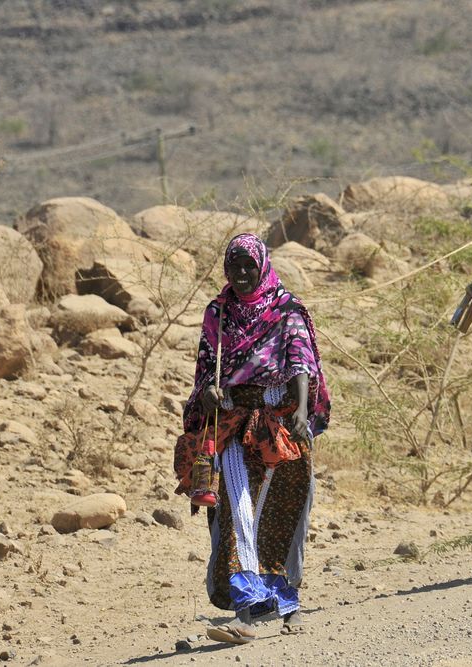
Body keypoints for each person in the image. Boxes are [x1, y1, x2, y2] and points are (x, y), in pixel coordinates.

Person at [174, 233, 330, 644]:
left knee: (285, 514)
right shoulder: (219, 313)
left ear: (263, 265)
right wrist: (208, 392)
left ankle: (288, 605)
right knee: (235, 514)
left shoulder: (286, 309)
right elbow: (207, 369)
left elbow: (301, 362)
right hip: (234, 422)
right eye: (235, 266)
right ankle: (244, 614)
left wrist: (300, 411)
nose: (242, 274)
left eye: (249, 265)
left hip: (282, 421)